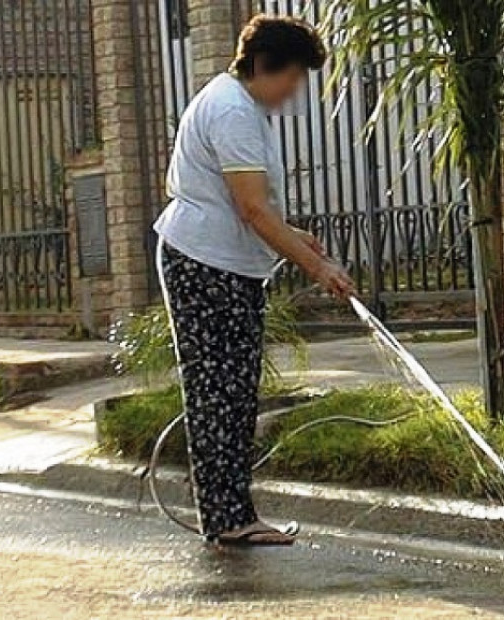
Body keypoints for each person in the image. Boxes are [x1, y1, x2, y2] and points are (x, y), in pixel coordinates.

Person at [153, 14, 355, 547]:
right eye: (292, 76)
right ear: (264, 65)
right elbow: (251, 210)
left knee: (231, 391)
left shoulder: (239, 105)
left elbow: (255, 208)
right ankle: (228, 519)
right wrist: (320, 268)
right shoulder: (233, 112)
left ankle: (229, 515)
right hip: (205, 264)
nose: (294, 91)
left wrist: (296, 237)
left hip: (219, 261)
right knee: (220, 391)